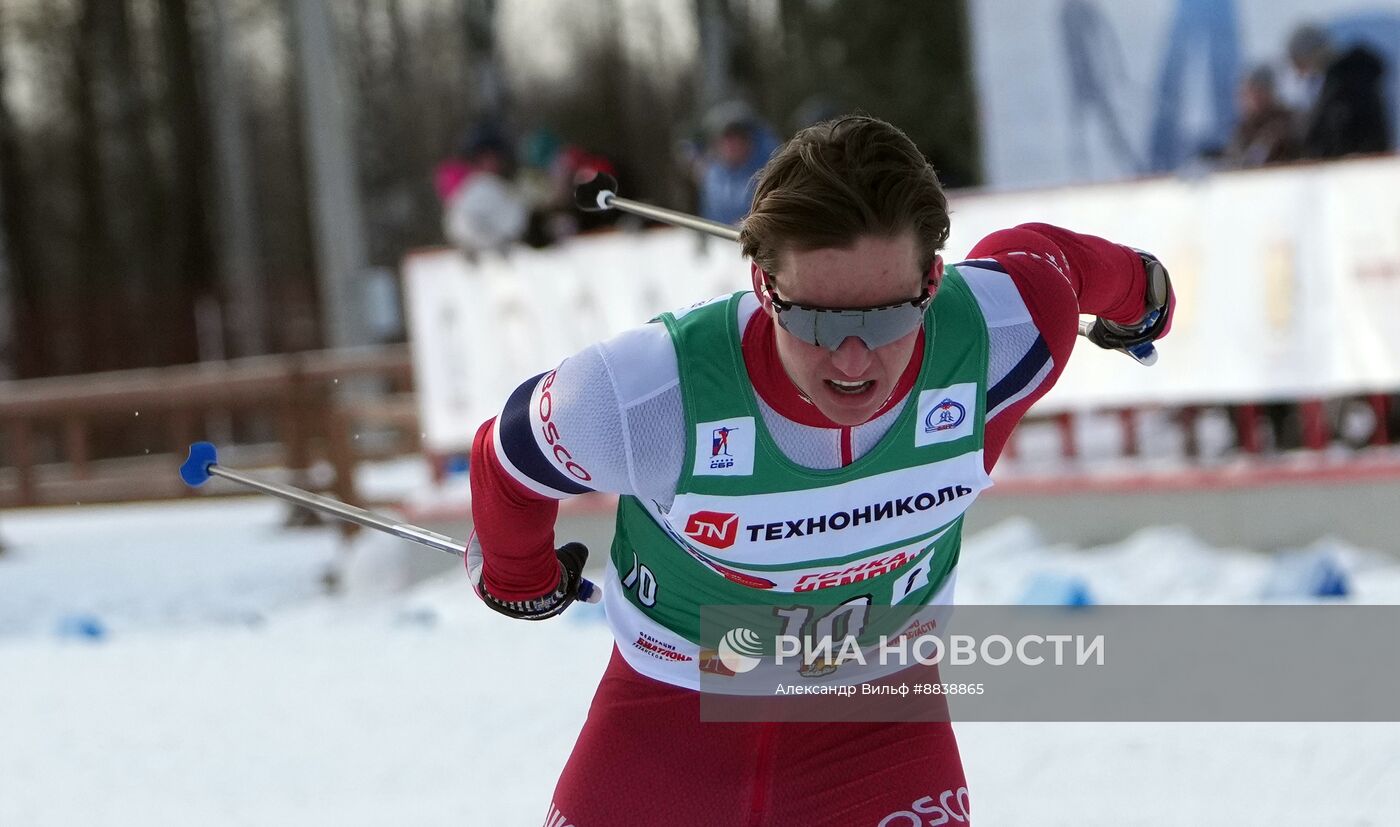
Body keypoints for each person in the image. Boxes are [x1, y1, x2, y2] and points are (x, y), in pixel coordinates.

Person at [466, 116, 1173, 825]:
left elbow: (1062, 264)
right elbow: (506, 457)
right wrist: (517, 576)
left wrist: (1144, 289)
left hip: (878, 726)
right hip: (668, 723)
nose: (855, 359)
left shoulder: (999, 331)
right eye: (817, 320)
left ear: (934, 279)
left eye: (892, 314)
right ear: (762, 284)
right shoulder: (649, 392)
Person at [1287, 24, 1392, 159]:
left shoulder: (1343, 82)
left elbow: (1341, 129)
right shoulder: (1351, 76)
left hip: (1357, 166)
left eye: (1299, 63)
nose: (1301, 72)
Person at [437, 123, 528, 256]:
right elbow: (459, 223)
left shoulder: (505, 188)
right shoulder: (471, 188)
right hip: (479, 251)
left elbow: (517, 219)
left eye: (495, 157)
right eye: (485, 157)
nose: (491, 162)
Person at [697, 101, 781, 225]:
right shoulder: (712, 174)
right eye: (726, 138)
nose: (731, 145)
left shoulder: (772, 173)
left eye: (737, 137)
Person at [1224, 65, 1300, 167]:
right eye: (1242, 95)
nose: (1244, 101)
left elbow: (1255, 160)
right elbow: (1234, 160)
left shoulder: (1284, 122)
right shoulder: (1244, 128)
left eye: (1251, 93)